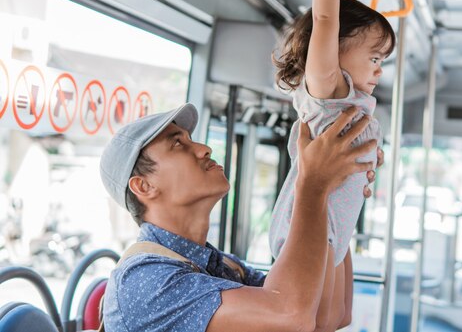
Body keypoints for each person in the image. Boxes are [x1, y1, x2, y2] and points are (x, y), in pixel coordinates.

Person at [99, 103, 377, 331]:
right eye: (177, 145)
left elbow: (326, 316)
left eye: (191, 139)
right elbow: (291, 315)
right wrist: (314, 184)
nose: (203, 148)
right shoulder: (145, 281)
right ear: (143, 186)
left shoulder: (222, 267)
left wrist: (340, 192)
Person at [270, 0, 395, 330]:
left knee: (339, 318)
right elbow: (328, 20)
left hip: (336, 225)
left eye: (381, 61)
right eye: (375, 58)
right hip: (311, 222)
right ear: (337, 51)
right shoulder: (327, 88)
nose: (379, 69)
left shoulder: (347, 93)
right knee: (317, 322)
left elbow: (341, 26)